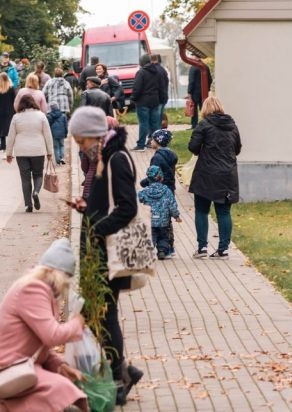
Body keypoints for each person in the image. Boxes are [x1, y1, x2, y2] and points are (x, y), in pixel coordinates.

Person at [66, 107, 143, 405]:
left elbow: (127, 208)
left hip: (108, 251)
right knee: (98, 315)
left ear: (94, 135)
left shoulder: (116, 159)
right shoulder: (103, 157)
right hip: (99, 249)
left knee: (104, 316)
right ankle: (123, 370)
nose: (79, 146)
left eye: (81, 140)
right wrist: (86, 208)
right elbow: (107, 202)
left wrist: (97, 228)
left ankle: (118, 377)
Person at [0, 238, 88, 411]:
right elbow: (52, 336)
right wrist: (77, 323)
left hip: (20, 366)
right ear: (59, 276)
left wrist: (60, 366)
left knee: (54, 390)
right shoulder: (32, 289)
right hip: (5, 369)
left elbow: (41, 345)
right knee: (59, 389)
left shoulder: (38, 288)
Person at [188, 96, 242, 259]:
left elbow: (193, 147)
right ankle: (223, 249)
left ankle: (202, 247)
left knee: (202, 211)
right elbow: (237, 148)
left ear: (205, 109)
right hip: (227, 174)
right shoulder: (232, 126)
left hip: (206, 174)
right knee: (224, 212)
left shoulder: (204, 125)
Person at [6, 94, 54, 213]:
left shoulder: (16, 117)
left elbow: (11, 136)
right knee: (38, 175)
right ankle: (36, 192)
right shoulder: (41, 116)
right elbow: (48, 135)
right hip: (38, 150)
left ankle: (28, 205)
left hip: (21, 151)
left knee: (25, 178)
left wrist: (9, 153)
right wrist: (50, 152)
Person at [145, 129, 179, 256]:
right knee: (167, 219)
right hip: (169, 189)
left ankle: (157, 245)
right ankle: (169, 246)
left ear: (157, 141)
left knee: (155, 218)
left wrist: (146, 183)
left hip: (158, 190)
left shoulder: (157, 158)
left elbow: (153, 174)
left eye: (152, 139)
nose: (150, 141)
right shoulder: (171, 155)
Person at [138, 165, 181, 260]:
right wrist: (176, 216)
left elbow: (137, 200)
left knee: (151, 235)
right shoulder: (166, 191)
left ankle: (148, 250)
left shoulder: (144, 192)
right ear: (161, 178)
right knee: (164, 236)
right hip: (164, 221)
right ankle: (161, 251)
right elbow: (172, 205)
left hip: (150, 220)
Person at [130, 54, 163, 151]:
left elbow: (137, 88)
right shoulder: (157, 72)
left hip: (143, 101)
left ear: (141, 62)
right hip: (155, 100)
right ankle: (156, 143)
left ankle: (140, 145)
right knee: (155, 123)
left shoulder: (141, 72)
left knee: (143, 123)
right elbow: (161, 86)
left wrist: (133, 98)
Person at [0, 72, 16, 152]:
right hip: (10, 110)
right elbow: (14, 101)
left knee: (1, 129)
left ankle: (3, 146)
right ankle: (11, 146)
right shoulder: (11, 88)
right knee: (10, 128)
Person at [187, 64, 213, 129]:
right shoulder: (205, 66)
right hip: (204, 91)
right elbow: (210, 79)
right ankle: (206, 123)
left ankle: (194, 125)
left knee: (194, 109)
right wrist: (207, 89)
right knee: (204, 108)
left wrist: (189, 92)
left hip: (195, 92)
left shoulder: (193, 67)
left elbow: (191, 81)